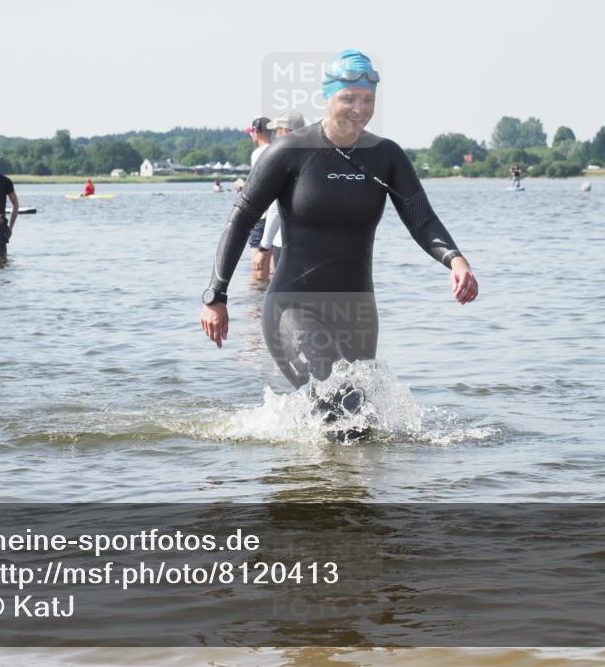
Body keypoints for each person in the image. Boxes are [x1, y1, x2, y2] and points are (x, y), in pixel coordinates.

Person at [200, 50, 478, 435]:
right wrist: (215, 295)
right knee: (345, 403)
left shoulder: (386, 156)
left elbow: (422, 218)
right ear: (327, 96)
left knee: (361, 425)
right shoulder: (290, 152)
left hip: (358, 313)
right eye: (349, 98)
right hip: (293, 307)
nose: (359, 109)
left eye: (368, 99)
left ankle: (311, 470)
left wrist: (456, 260)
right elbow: (241, 218)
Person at [254, 109, 306, 275]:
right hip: (311, 243)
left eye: (277, 131)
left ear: (287, 131)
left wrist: (263, 247)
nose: (275, 136)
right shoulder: (315, 157)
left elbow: (276, 208)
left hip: (285, 242)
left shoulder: (284, 160)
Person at [244, 117, 273, 279]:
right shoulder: (279, 148)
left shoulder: (258, 153)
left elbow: (257, 184)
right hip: (278, 215)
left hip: (262, 214)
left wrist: (242, 186)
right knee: (273, 268)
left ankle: (256, 293)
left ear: (257, 132)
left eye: (252, 133)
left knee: (258, 270)